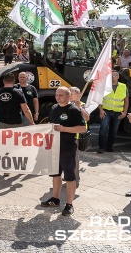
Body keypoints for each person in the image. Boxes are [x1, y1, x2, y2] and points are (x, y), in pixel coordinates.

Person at [40, 87, 86, 216]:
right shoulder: (54, 108)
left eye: (61, 95)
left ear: (68, 96)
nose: (58, 97)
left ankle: (69, 204)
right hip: (54, 147)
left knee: (70, 177)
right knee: (55, 174)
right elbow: (51, 124)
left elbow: (82, 128)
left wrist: (64, 129)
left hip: (67, 148)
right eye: (56, 95)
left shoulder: (74, 110)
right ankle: (55, 199)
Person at [98, 71, 128, 153]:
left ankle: (109, 147)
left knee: (114, 131)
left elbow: (126, 100)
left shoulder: (123, 86)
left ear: (118, 77)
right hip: (105, 111)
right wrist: (100, 110)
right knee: (103, 129)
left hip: (118, 112)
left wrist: (125, 112)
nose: (113, 77)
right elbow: (99, 98)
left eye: (115, 75)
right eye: (111, 75)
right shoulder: (104, 86)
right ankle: (101, 148)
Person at [69, 87, 89, 186]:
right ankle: (69, 176)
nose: (69, 96)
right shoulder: (66, 104)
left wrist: (79, 108)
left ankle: (75, 180)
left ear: (78, 95)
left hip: (76, 136)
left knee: (75, 159)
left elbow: (87, 117)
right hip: (66, 135)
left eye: (71, 94)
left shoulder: (82, 105)